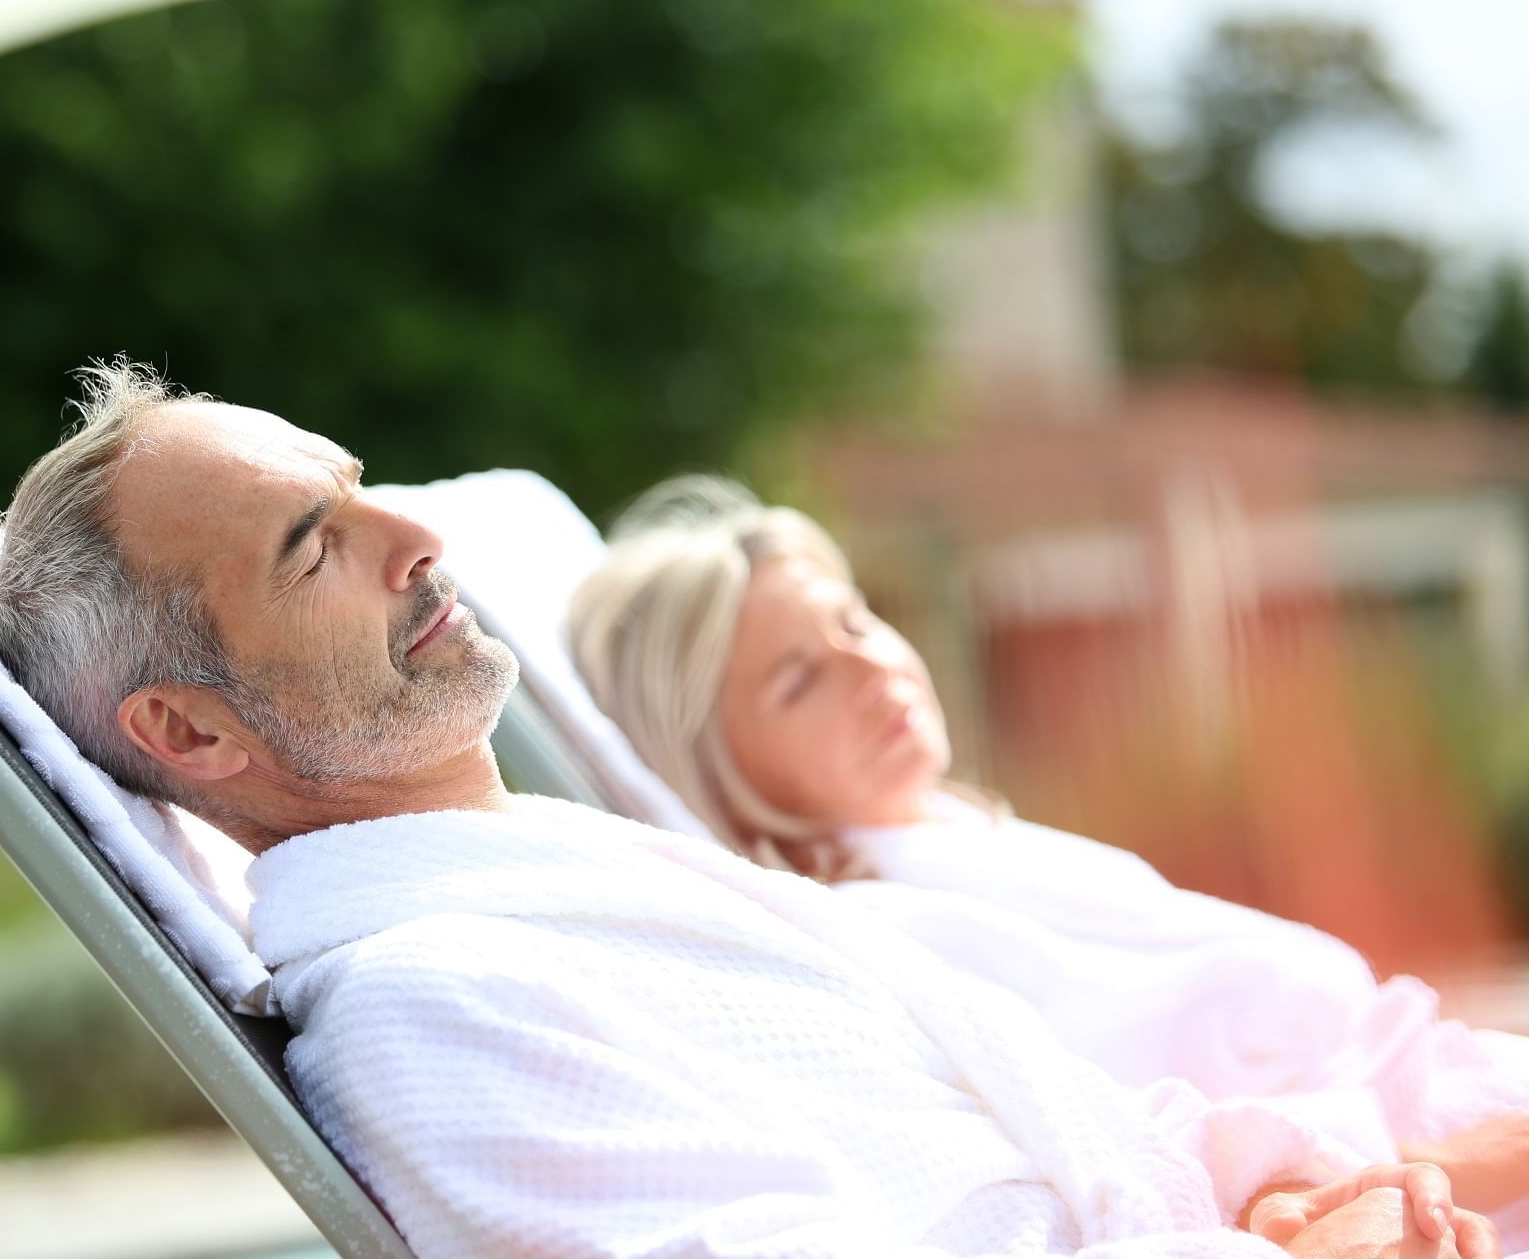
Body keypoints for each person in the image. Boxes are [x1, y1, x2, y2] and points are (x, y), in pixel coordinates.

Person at [0, 363, 1495, 1259]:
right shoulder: (431, 1009)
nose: (414, 533)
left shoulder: (581, 890)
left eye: (360, 485)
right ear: (187, 726)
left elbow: (1054, 1130)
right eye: (314, 545)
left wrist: (1289, 1190)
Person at [567, 476, 1529, 1243]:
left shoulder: (964, 837)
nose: (874, 670)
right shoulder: (888, 934)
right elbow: (1154, 1154)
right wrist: (1458, 1156)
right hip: (1413, 1181)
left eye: (855, 621)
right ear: (714, 761)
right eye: (798, 678)